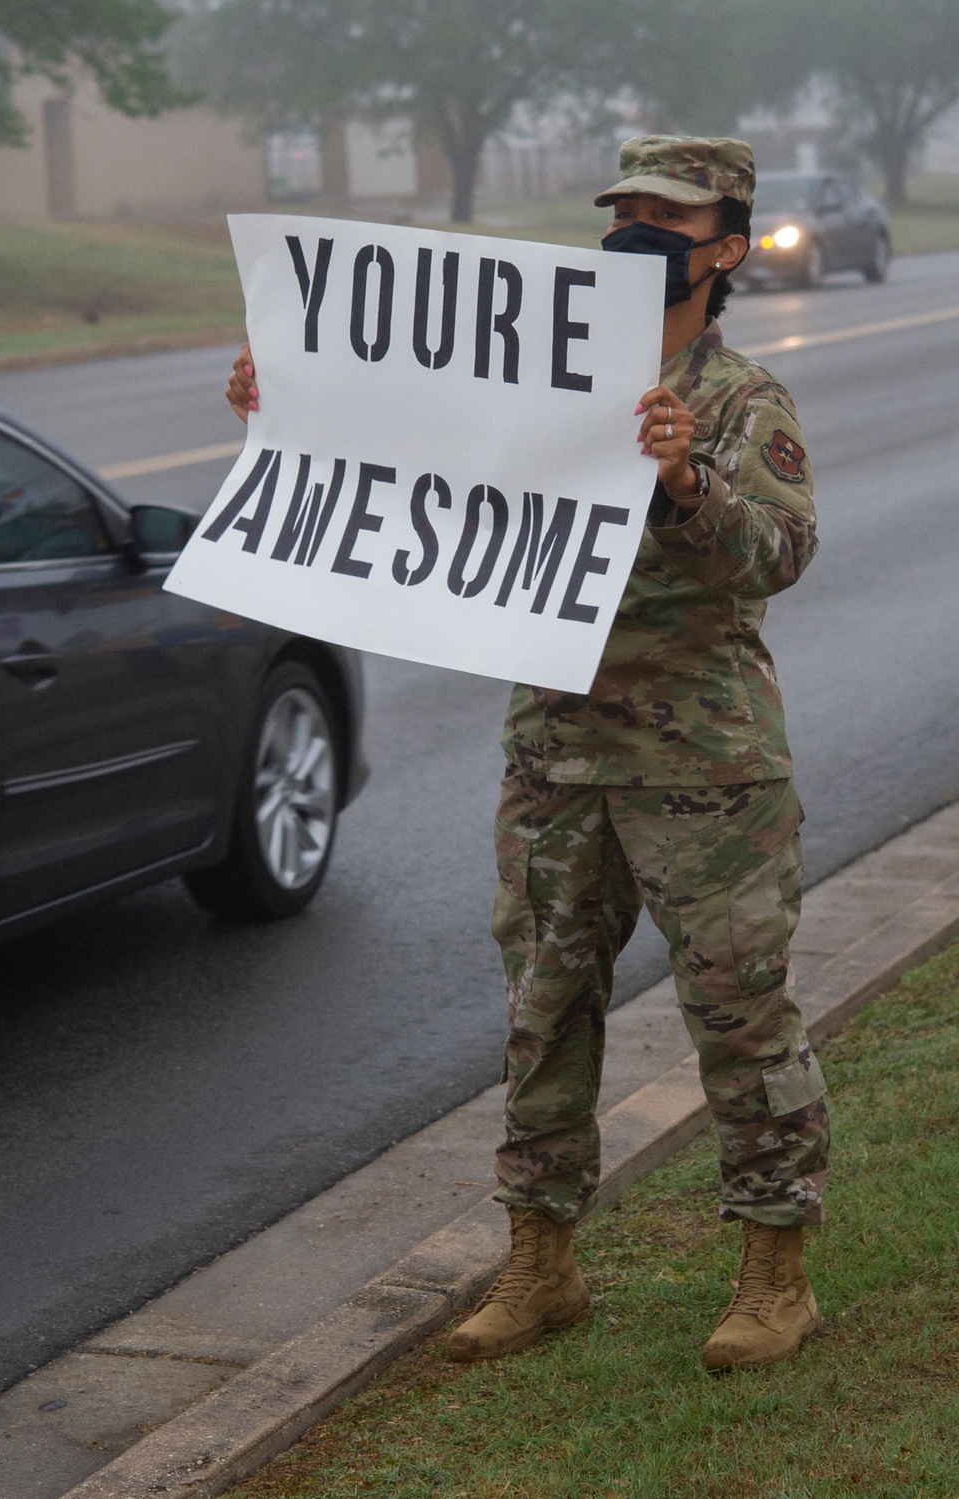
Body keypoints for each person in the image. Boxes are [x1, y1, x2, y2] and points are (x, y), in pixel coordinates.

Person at [224, 135, 829, 1374]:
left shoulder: (741, 397)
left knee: (738, 1015)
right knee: (543, 1012)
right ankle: (541, 1263)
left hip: (703, 765)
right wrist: (289, 402)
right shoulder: (535, 380)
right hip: (553, 757)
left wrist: (680, 480)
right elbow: (407, 453)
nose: (636, 231)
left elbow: (779, 554)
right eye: (623, 211)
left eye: (668, 214)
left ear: (726, 246)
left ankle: (775, 1272)